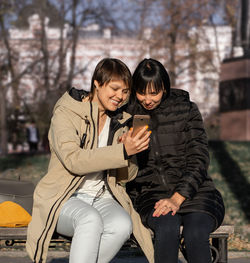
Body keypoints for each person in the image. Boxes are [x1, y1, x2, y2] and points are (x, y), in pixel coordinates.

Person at [26, 58, 152, 263]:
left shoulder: (119, 121)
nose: (120, 96)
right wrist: (120, 151)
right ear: (97, 83)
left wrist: (129, 153)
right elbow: (74, 160)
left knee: (122, 225)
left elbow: (126, 178)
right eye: (115, 88)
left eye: (125, 91)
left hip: (103, 196)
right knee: (89, 220)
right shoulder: (67, 112)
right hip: (64, 197)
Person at [126, 58, 225, 263]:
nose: (147, 99)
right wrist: (125, 149)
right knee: (167, 227)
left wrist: (178, 197)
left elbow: (199, 159)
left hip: (196, 194)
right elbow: (124, 170)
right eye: (141, 92)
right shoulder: (127, 115)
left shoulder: (187, 109)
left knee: (196, 232)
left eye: (154, 92)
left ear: (164, 87)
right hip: (152, 196)